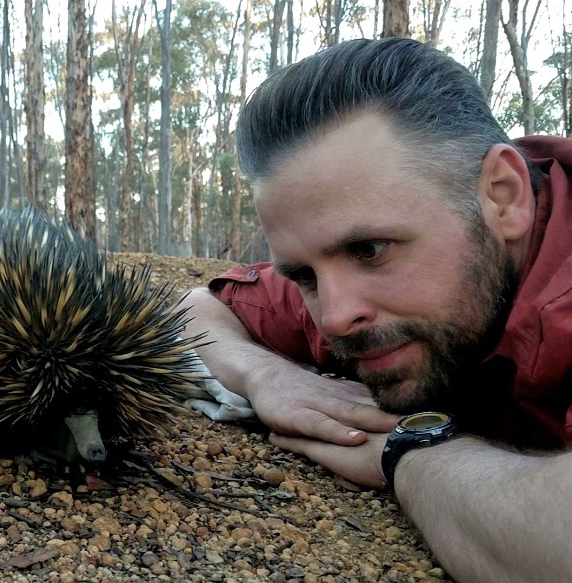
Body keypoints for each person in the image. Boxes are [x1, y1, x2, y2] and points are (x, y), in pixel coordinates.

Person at [180, 38, 572, 583]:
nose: (335, 318)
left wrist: (415, 450)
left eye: (370, 250)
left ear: (503, 197)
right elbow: (193, 308)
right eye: (304, 276)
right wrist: (265, 374)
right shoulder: (361, 291)